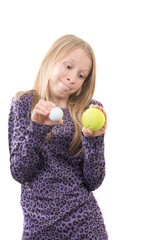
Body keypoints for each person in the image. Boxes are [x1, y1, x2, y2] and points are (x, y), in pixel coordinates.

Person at [8, 34, 108, 239]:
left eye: (82, 75)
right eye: (68, 66)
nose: (72, 78)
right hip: (40, 226)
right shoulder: (24, 103)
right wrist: (37, 129)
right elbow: (20, 172)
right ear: (52, 59)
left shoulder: (88, 110)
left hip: (85, 223)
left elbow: (94, 181)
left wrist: (94, 141)